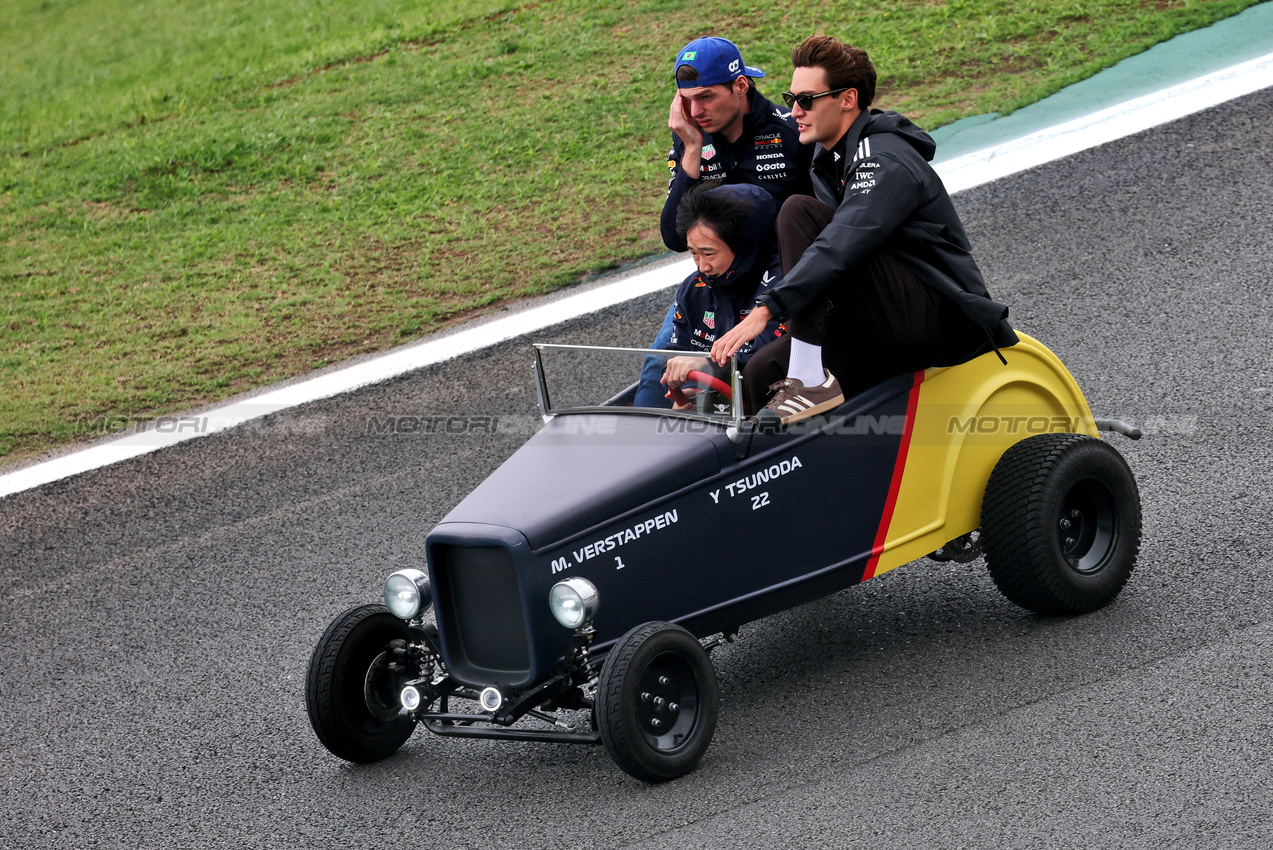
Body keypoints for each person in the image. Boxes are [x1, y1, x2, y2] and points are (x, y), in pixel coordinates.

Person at [710, 35, 1018, 426]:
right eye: (791, 99)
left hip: (931, 322)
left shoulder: (884, 157)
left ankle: (809, 378)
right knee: (762, 371)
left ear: (847, 99)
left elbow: (842, 243)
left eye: (806, 100)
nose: (795, 112)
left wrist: (769, 307)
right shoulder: (825, 159)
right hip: (877, 317)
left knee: (798, 212)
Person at [638, 36, 813, 399]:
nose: (696, 110)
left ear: (740, 85)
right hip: (720, 279)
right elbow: (674, 237)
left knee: (754, 365)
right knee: (660, 366)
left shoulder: (792, 131)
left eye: (706, 97)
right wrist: (690, 149)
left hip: (785, 277)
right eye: (686, 100)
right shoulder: (692, 137)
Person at [633, 183, 786, 408]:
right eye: (694, 254)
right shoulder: (694, 287)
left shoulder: (783, 286)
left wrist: (706, 365)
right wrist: (686, 392)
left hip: (768, 413)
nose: (702, 266)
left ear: (745, 245)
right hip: (715, 415)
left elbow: (765, 364)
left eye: (709, 253)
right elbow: (675, 354)